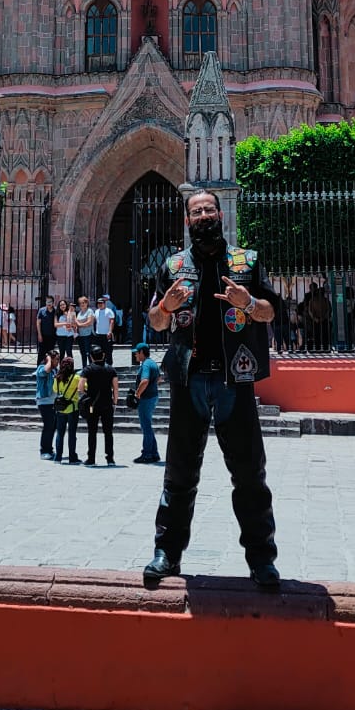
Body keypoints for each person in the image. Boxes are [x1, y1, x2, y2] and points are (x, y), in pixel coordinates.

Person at [143, 188, 280, 589]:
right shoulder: (172, 266)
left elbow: (272, 310)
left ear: (220, 214)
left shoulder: (246, 261)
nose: (203, 216)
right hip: (189, 380)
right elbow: (154, 322)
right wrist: (165, 306)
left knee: (250, 474)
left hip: (233, 381)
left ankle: (262, 561)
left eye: (209, 209)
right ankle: (166, 553)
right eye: (196, 211)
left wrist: (249, 302)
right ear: (187, 221)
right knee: (179, 474)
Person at [79, 342, 118, 467]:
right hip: (107, 404)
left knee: (92, 431)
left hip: (92, 405)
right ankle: (110, 458)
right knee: (108, 432)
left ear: (91, 357)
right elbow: (116, 388)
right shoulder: (111, 369)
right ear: (104, 355)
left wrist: (88, 392)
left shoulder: (88, 369)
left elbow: (80, 387)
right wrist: (115, 402)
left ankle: (91, 458)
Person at [133, 341, 161, 464]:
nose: (135, 355)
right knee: (147, 425)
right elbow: (159, 378)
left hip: (146, 398)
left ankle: (147, 454)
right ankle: (154, 453)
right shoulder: (152, 363)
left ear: (142, 352)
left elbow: (144, 381)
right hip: (152, 396)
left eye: (136, 353)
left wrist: (137, 394)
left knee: (146, 426)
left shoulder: (145, 365)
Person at [54, 356, 81, 464]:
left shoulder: (57, 377)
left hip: (60, 408)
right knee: (72, 433)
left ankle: (58, 457)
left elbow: (55, 389)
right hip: (72, 407)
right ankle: (72, 456)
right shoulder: (76, 377)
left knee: (60, 433)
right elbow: (84, 387)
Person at [36, 347, 60, 459]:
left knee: (53, 426)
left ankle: (50, 449)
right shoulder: (42, 368)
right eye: (56, 359)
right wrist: (49, 360)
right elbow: (46, 371)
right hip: (45, 401)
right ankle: (44, 450)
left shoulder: (55, 370)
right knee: (48, 426)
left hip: (53, 401)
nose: (57, 362)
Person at [75, 295, 96, 371]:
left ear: (87, 303)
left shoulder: (90, 311)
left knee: (88, 352)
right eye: (80, 303)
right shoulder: (79, 313)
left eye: (84, 302)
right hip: (80, 335)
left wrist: (80, 324)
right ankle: (84, 367)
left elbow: (89, 322)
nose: (82, 304)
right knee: (82, 352)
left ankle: (91, 367)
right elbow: (76, 321)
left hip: (88, 334)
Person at [94, 296, 115, 366]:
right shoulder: (96, 311)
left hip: (107, 334)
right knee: (100, 351)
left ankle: (109, 366)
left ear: (104, 303)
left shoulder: (109, 311)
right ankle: (100, 365)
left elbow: (112, 322)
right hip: (98, 334)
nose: (100, 304)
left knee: (108, 351)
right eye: (98, 303)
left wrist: (110, 331)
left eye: (101, 303)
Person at [36, 296, 57, 362]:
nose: (49, 303)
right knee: (41, 353)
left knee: (51, 353)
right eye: (47, 301)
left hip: (53, 336)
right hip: (43, 335)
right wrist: (39, 334)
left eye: (50, 302)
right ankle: (39, 369)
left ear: (53, 303)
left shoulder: (56, 311)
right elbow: (38, 323)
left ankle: (50, 369)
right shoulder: (41, 310)